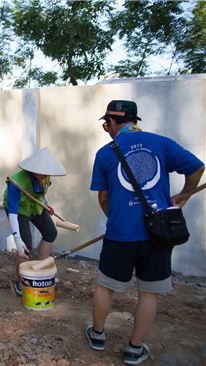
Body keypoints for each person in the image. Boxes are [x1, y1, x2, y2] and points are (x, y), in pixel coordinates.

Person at [86, 100, 204, 365]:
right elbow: (197, 168)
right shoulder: (161, 143)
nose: (108, 130)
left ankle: (97, 335)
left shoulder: (105, 154)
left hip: (120, 235)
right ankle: (134, 349)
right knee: (148, 293)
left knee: (106, 286)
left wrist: (117, 218)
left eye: (107, 125)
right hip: (158, 233)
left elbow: (104, 198)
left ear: (115, 122)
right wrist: (185, 195)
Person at [3, 147, 67, 296]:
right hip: (19, 211)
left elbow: (43, 192)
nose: (46, 175)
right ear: (33, 169)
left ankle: (38, 268)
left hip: (36, 206)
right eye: (43, 172)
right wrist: (17, 239)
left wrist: (47, 203)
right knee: (25, 245)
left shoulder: (46, 177)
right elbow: (12, 214)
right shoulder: (16, 182)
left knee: (51, 232)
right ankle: (21, 280)